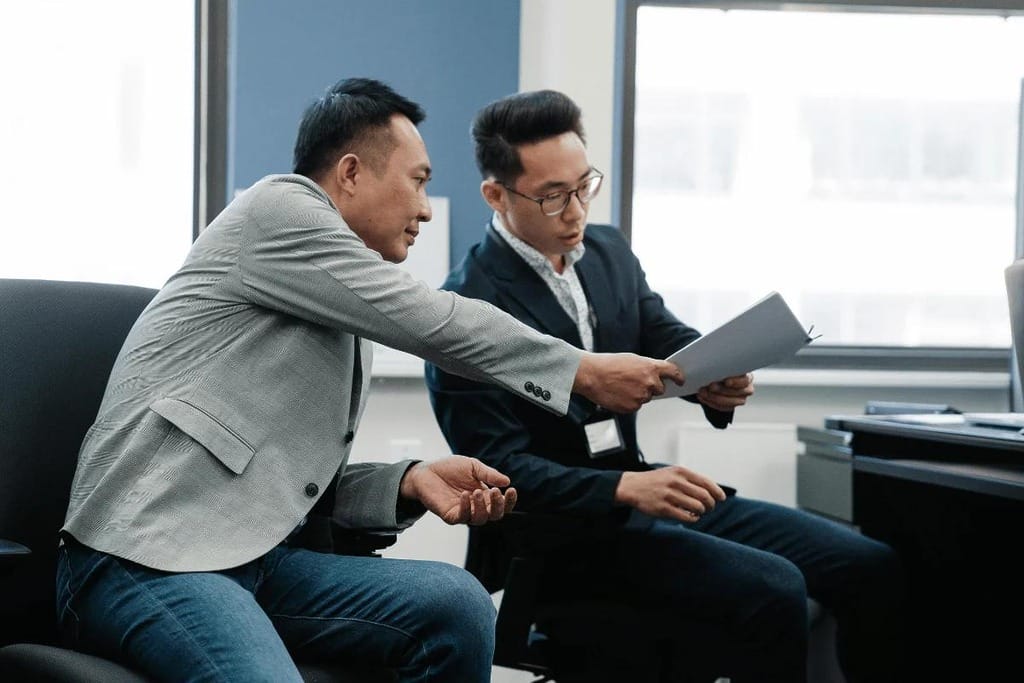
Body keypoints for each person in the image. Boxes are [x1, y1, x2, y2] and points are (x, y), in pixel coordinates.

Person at [56, 78, 685, 683]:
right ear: (351, 173)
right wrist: (581, 370)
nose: (425, 211)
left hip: (254, 562)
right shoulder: (278, 209)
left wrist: (406, 482)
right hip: (147, 558)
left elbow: (281, 481)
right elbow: (434, 319)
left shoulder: (329, 302)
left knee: (457, 605)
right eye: (417, 183)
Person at [425, 89, 906, 683]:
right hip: (561, 539)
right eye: (553, 197)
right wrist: (624, 488)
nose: (576, 210)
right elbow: (498, 466)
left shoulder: (607, 251)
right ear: (496, 195)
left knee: (868, 564)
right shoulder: (464, 309)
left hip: (645, 494)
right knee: (776, 588)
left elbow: (662, 333)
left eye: (584, 186)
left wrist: (715, 374)